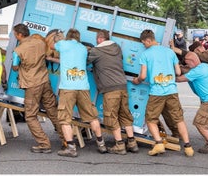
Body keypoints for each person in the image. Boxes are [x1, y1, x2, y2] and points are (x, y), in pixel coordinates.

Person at [134, 29, 193, 157]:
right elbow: (178, 72)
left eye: (144, 43)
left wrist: (137, 80)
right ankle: (188, 147)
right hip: (172, 91)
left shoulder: (145, 55)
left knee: (151, 119)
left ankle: (159, 144)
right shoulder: (169, 52)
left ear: (148, 40)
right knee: (179, 119)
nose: (144, 45)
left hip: (157, 92)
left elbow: (143, 76)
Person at [50, 29, 107, 157]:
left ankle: (71, 148)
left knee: (64, 118)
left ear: (68, 37)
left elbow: (51, 45)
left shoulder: (63, 44)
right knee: (92, 116)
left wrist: (59, 37)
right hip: (83, 87)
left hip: (68, 88)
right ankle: (101, 144)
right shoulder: (83, 48)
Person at [10, 24, 63, 154]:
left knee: (30, 115)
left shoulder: (18, 50)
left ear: (19, 35)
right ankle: (67, 140)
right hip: (45, 80)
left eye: (14, 34)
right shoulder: (40, 42)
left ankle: (44, 144)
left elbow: (15, 67)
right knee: (52, 110)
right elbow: (47, 55)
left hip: (32, 84)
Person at [87, 29, 139, 155]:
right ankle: (132, 143)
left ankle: (120, 145)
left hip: (110, 89)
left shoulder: (96, 51)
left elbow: (86, 61)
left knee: (111, 116)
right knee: (124, 114)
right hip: (122, 85)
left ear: (99, 39)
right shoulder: (117, 48)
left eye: (96, 38)